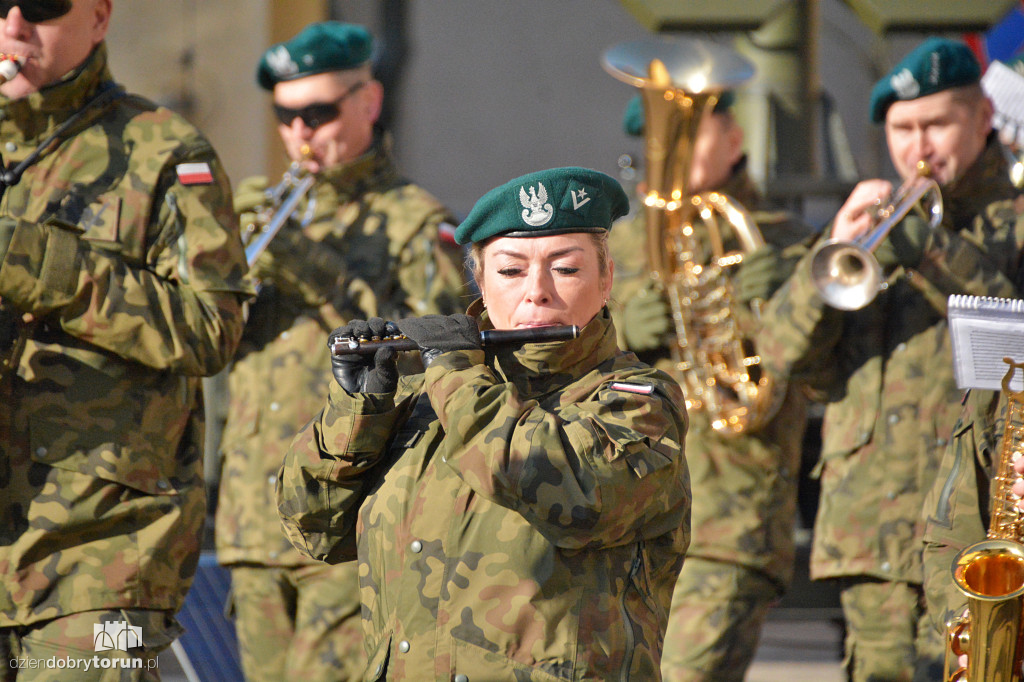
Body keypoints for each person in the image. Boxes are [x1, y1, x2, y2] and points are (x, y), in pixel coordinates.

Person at [276, 166, 691, 679]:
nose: (537, 291)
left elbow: (576, 495)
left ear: (605, 280)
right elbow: (313, 529)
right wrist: (357, 410)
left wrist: (453, 371)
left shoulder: (637, 401)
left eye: (565, 268)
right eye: (511, 271)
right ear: (481, 284)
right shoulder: (428, 398)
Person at [758, 37, 1024, 681]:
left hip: (979, 525)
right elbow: (782, 356)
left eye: (936, 124)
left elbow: (1012, 327)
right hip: (869, 533)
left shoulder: (1015, 221)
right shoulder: (870, 223)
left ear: (982, 118)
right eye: (902, 130)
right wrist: (832, 250)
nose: (918, 147)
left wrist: (930, 249)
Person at [0, 0, 252, 678]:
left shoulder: (165, 152)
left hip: (100, 557)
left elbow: (211, 328)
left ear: (100, 17)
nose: (14, 28)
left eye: (43, 7)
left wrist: (37, 264)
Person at [213, 21, 467, 682]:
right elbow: (207, 347)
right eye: (286, 116)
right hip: (252, 516)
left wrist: (318, 272)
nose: (300, 133)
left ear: (369, 102)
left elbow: (440, 354)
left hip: (349, 512)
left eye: (319, 112)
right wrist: (217, 267)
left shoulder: (416, 220)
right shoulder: (266, 216)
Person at [608, 92, 813, 682]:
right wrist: (621, 330)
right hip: (628, 516)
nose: (671, 155)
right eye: (662, 140)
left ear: (734, 140)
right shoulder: (615, 247)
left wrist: (789, 299)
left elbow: (825, 373)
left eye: (691, 134)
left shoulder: (787, 242)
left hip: (729, 515)